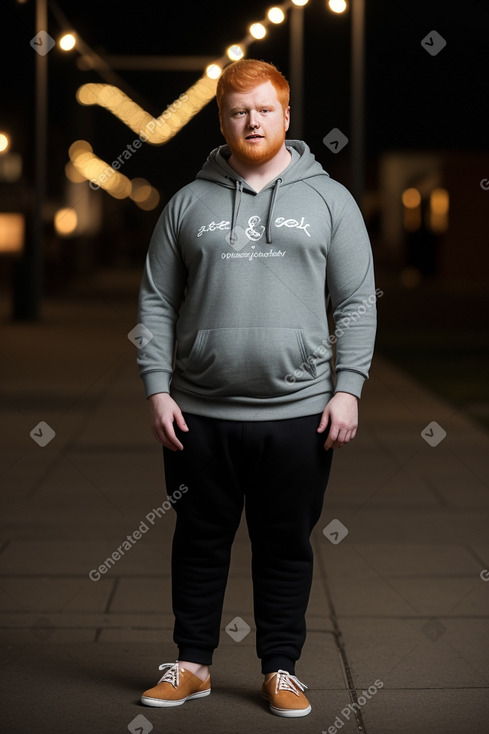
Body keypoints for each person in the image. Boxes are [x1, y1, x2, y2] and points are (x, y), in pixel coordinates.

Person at [136, 58, 376, 718]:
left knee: (283, 545)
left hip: (299, 414)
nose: (251, 120)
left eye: (264, 109)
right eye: (238, 110)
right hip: (197, 414)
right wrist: (158, 388)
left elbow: (355, 301)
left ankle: (280, 669)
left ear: (286, 115)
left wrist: (347, 387)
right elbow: (156, 301)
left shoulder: (329, 200)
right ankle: (192, 664)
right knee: (198, 539)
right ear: (221, 119)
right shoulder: (188, 202)